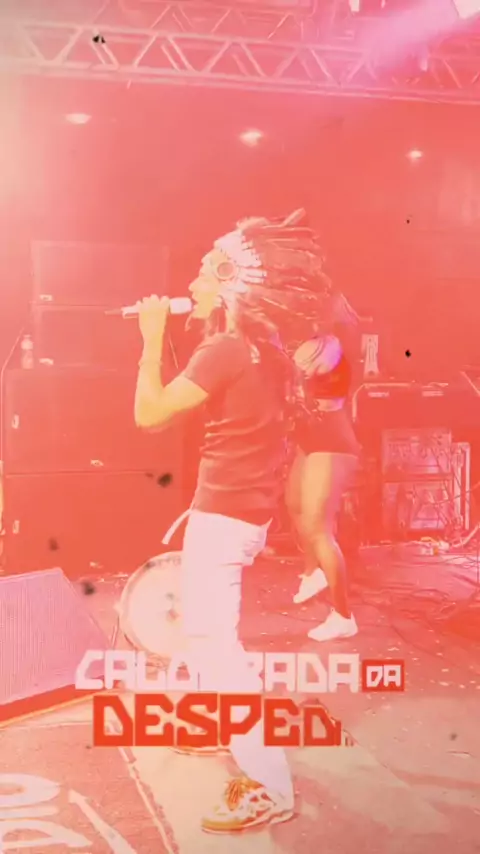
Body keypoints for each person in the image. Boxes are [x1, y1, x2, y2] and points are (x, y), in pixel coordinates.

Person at [133, 211, 333, 833]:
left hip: (224, 518)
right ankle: (216, 725)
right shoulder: (264, 349)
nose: (192, 284)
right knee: (204, 634)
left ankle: (268, 785)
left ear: (229, 285)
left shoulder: (224, 349)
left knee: (216, 645)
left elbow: (150, 414)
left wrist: (149, 339)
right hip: (240, 512)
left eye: (203, 274)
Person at [286, 330, 361, 642]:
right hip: (311, 434)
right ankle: (312, 573)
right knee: (294, 504)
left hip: (332, 441)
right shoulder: (304, 342)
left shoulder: (330, 347)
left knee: (320, 530)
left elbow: (306, 365)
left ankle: (343, 616)